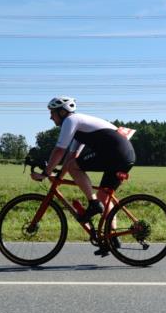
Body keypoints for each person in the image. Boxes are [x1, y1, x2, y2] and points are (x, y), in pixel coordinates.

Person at [32, 97, 135, 233]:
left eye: (52, 112)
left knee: (76, 170)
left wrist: (45, 172)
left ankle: (93, 204)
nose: (50, 117)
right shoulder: (80, 126)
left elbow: (59, 150)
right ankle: (112, 239)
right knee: (104, 197)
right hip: (126, 156)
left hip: (115, 153)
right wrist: (58, 178)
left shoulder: (70, 121)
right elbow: (72, 156)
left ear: (62, 112)